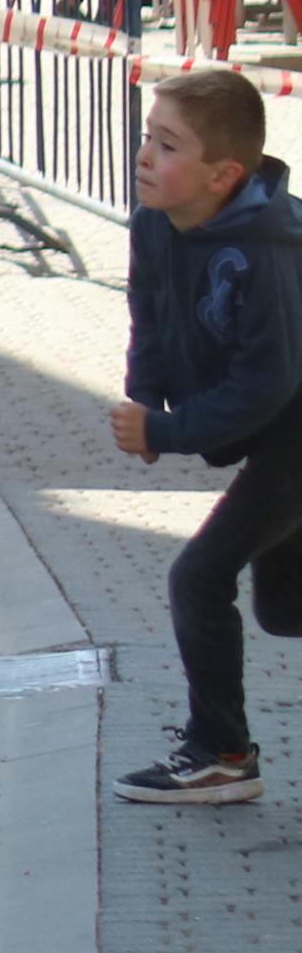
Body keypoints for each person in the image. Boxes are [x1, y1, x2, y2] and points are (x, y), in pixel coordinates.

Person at [107, 66, 302, 806]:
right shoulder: (155, 223)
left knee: (198, 577)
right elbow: (150, 311)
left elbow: (268, 383)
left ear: (223, 175)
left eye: (167, 145)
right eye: (147, 137)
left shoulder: (266, 252)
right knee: (284, 607)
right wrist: (144, 395)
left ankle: (221, 753)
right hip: (279, 431)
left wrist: (168, 428)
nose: (144, 156)